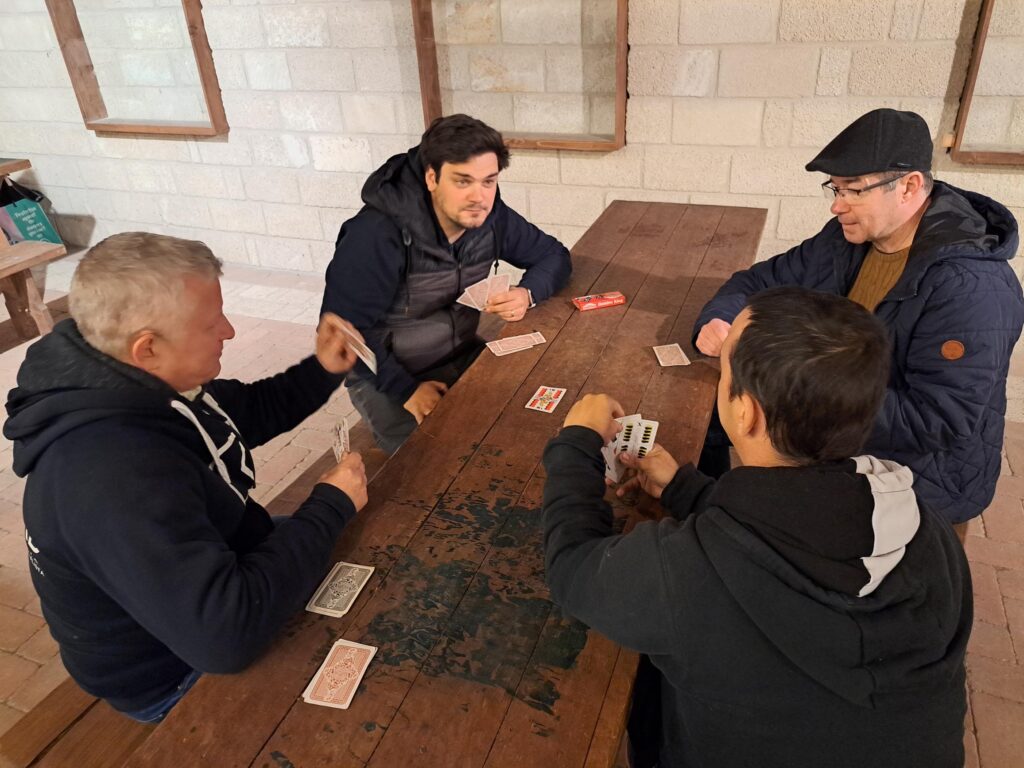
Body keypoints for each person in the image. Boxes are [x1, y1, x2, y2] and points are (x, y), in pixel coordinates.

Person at [542, 287, 972, 768]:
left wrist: (576, 442)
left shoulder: (687, 571)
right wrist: (687, 490)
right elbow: (795, 532)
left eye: (724, 368)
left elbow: (572, 568)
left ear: (746, 413)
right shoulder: (928, 531)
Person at [4, 232, 370, 723]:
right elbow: (226, 639)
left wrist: (323, 369)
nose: (229, 331)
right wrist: (329, 504)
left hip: (214, 579)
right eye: (211, 321)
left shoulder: (128, 377)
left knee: (363, 549)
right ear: (148, 348)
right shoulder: (113, 475)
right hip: (172, 672)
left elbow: (250, 411)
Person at [693, 108, 1024, 532]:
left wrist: (802, 393)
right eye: (835, 188)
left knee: (778, 530)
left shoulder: (970, 288)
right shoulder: (845, 240)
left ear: (909, 186)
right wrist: (720, 318)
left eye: (854, 190)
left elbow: (941, 419)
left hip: (919, 479)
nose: (837, 205)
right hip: (837, 441)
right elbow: (758, 282)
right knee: (712, 422)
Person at [321, 113, 572, 454]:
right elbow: (343, 334)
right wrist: (408, 391)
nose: (478, 197)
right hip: (386, 376)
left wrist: (527, 293)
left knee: (531, 427)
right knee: (434, 463)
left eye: (488, 181)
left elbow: (553, 255)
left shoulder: (492, 215)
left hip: (461, 351)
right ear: (432, 177)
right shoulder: (374, 235)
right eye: (462, 181)